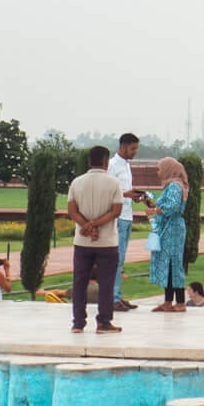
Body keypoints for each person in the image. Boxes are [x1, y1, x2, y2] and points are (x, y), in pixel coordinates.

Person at [66, 145, 124, 334]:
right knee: (106, 283)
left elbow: (72, 211)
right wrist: (96, 225)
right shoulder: (114, 183)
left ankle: (78, 323)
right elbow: (116, 212)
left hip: (82, 242)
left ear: (89, 161)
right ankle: (104, 322)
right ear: (106, 161)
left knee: (80, 282)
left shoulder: (77, 182)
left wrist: (86, 226)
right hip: (107, 241)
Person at [145, 157, 189, 310]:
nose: (158, 173)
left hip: (172, 229)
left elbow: (172, 207)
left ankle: (180, 302)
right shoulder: (172, 186)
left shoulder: (175, 186)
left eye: (160, 169)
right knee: (168, 263)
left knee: (174, 264)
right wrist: (152, 204)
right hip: (169, 228)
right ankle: (168, 301)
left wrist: (154, 210)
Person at [109, 134, 141, 280]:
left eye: (136, 148)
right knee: (115, 259)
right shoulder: (112, 165)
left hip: (127, 215)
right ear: (123, 146)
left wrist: (134, 196)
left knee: (120, 260)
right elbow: (108, 192)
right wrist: (127, 194)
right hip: (118, 216)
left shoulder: (126, 165)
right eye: (132, 148)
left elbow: (125, 191)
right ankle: (114, 298)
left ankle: (117, 296)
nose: (135, 151)